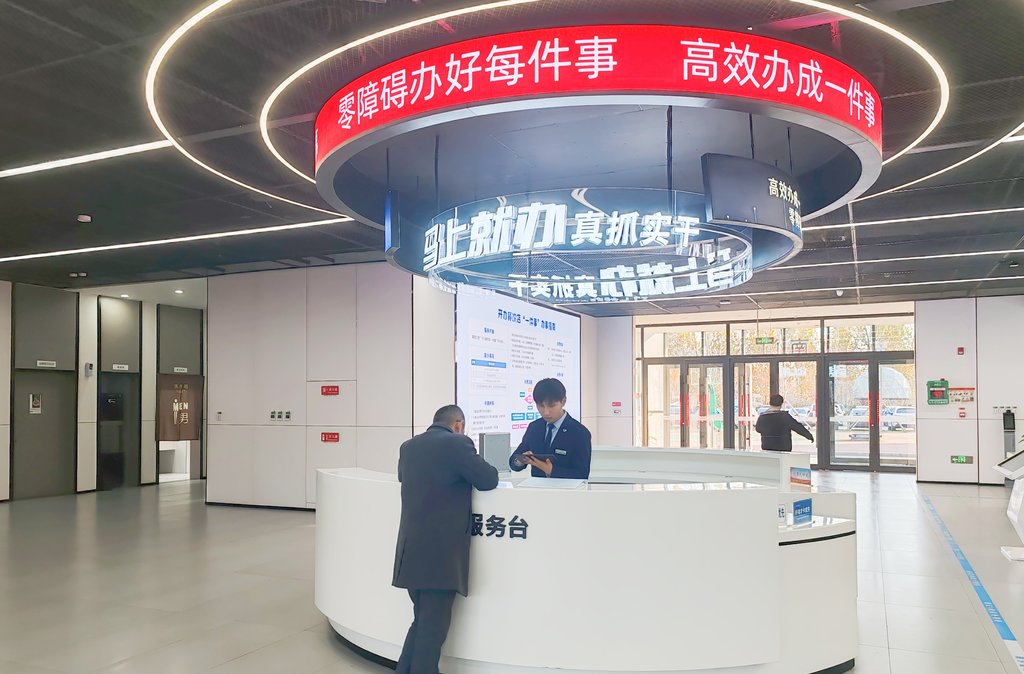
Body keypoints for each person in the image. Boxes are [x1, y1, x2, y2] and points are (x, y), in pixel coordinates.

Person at [392, 405, 499, 674]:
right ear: (458, 425)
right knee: (432, 629)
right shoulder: (458, 444)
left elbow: (403, 478)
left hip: (410, 551)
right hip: (439, 556)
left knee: (422, 622)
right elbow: (488, 479)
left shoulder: (408, 446)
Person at [508, 378, 592, 479]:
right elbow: (514, 459)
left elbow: (582, 474)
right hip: (536, 487)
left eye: (551, 406)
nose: (546, 412)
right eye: (541, 406)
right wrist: (520, 461)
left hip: (565, 488)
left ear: (563, 401)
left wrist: (551, 470)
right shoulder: (534, 428)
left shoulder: (579, 433)